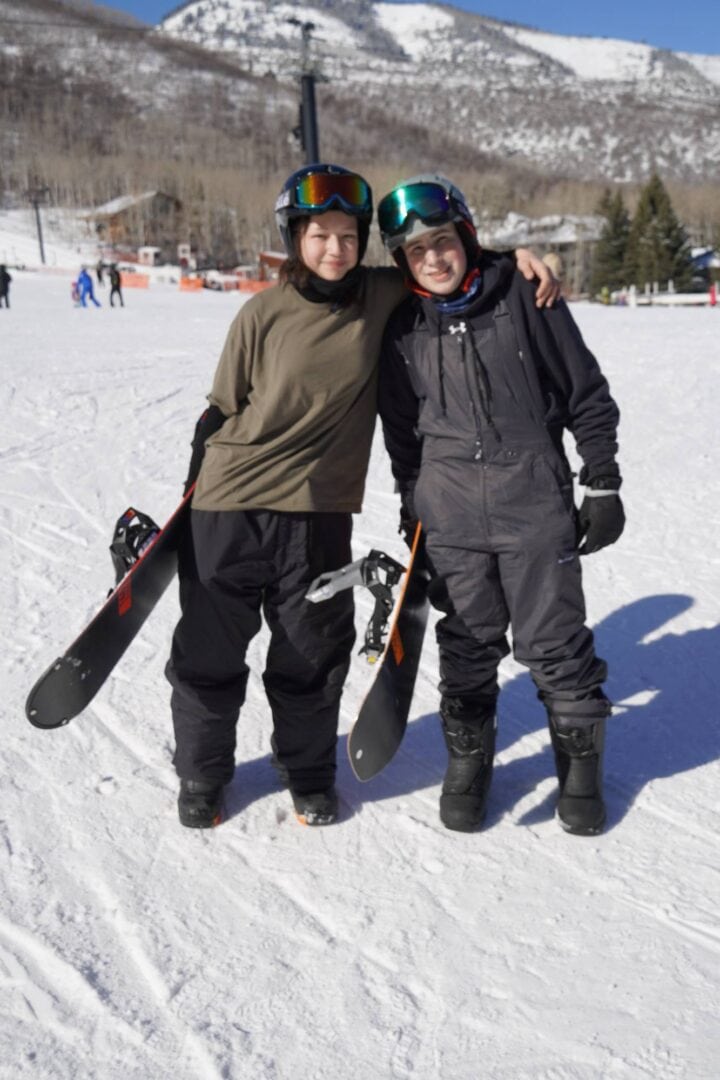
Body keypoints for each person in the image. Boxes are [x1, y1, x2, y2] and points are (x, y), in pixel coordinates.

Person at [165, 163, 559, 831]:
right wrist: (189, 500)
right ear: (296, 239)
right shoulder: (260, 313)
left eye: (348, 236)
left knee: (312, 652)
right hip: (229, 506)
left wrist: (514, 258)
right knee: (210, 651)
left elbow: (444, 260)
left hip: (318, 514)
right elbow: (220, 411)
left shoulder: (381, 294)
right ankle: (203, 774)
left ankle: (308, 773)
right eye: (320, 235)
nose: (336, 248)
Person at [376, 174, 624, 836]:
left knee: (554, 639)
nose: (432, 258)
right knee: (467, 639)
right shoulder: (402, 327)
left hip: (533, 500)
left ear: (466, 237)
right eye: (415, 251)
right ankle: (469, 763)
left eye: (441, 241)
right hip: (450, 511)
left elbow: (586, 393)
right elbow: (401, 434)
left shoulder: (524, 295)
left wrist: (602, 480)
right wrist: (412, 502)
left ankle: (579, 771)